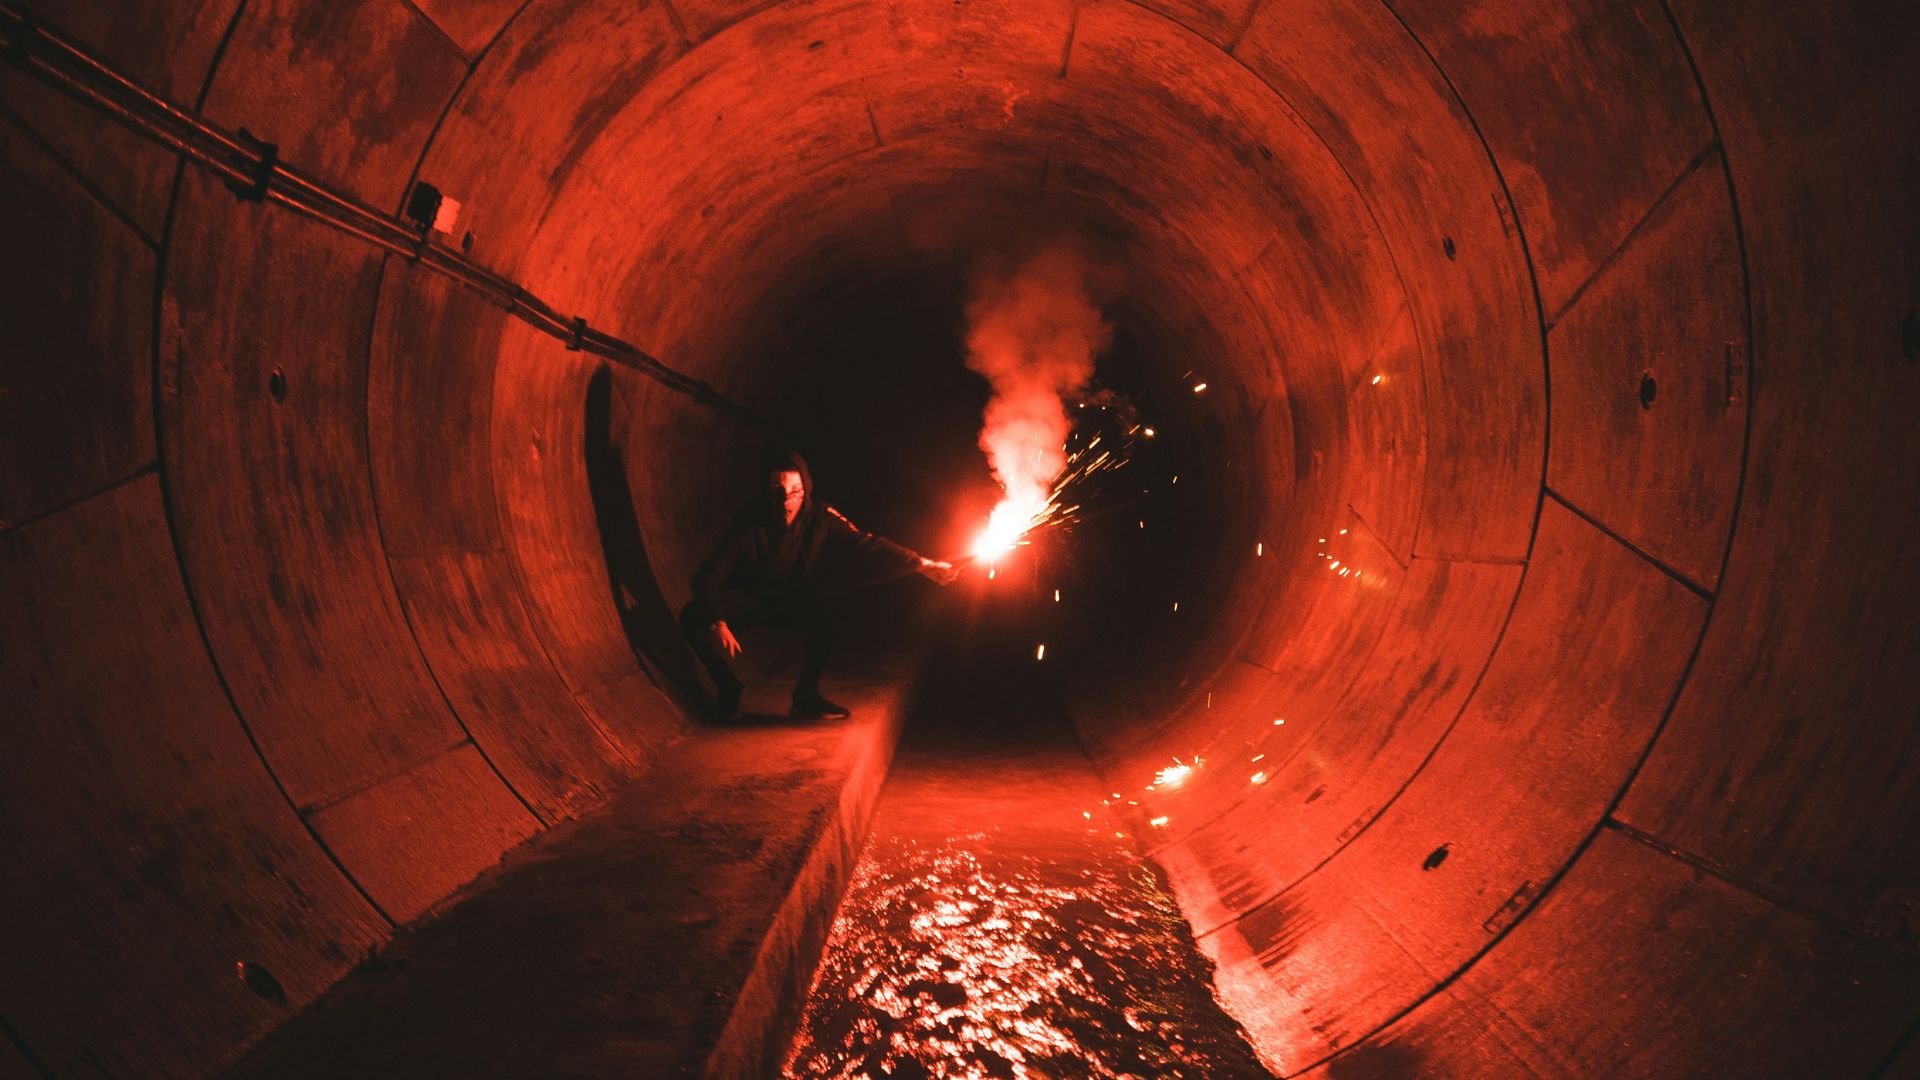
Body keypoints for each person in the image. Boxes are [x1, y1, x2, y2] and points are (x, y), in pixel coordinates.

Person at [680, 451, 958, 720]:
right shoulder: (747, 522)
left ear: (806, 488)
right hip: (752, 598)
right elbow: (706, 578)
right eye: (779, 491)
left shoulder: (821, 515)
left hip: (795, 601)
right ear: (767, 491)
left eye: (796, 491)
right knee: (692, 616)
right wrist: (717, 620)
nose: (787, 500)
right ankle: (728, 687)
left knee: (834, 611)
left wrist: (921, 563)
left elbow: (867, 542)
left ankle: (806, 696)